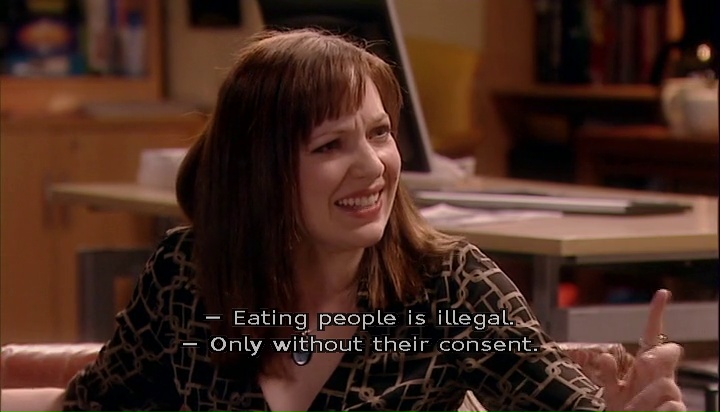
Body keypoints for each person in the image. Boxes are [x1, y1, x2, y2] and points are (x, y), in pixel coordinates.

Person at [63, 29, 687, 412]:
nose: (374, 167)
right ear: (258, 172)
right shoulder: (185, 274)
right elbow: (94, 404)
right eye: (330, 145)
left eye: (380, 133)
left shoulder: (453, 288)